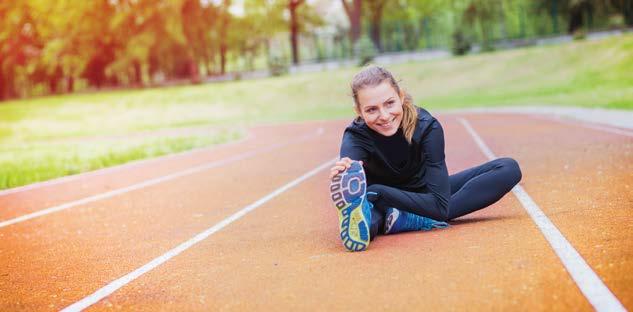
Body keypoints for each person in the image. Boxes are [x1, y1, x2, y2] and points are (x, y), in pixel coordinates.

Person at [328, 65, 522, 252]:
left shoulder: (427, 127)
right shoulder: (356, 136)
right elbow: (351, 175)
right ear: (359, 112)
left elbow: (439, 207)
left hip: (421, 195)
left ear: (401, 97)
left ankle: (403, 218)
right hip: (383, 205)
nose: (384, 116)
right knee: (366, 227)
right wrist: (345, 170)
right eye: (372, 109)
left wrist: (378, 191)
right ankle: (397, 218)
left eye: (389, 103)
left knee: (508, 168)